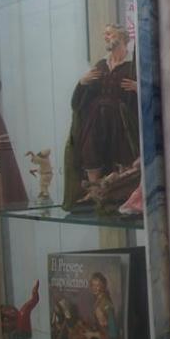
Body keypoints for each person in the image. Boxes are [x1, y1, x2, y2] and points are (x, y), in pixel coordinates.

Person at [63, 24, 139, 209]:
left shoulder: (133, 65)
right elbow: (81, 99)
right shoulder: (101, 65)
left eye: (109, 34)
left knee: (123, 152)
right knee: (91, 150)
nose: (106, 37)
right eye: (105, 34)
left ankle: (121, 192)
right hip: (96, 119)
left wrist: (139, 88)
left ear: (122, 37)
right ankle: (94, 191)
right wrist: (82, 83)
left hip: (122, 120)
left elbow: (152, 96)